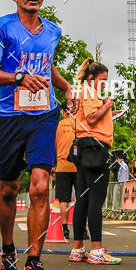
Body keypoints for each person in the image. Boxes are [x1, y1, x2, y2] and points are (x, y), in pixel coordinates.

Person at [0, 0, 73, 270]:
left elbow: (47, 64)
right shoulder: (0, 30)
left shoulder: (53, 32)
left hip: (44, 116)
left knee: (40, 186)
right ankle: (8, 250)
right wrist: (19, 77)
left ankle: (34, 263)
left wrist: (65, 87)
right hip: (8, 116)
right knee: (8, 188)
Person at [69, 58, 122, 266]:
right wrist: (107, 104)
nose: (105, 84)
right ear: (92, 78)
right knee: (95, 199)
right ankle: (97, 250)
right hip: (94, 147)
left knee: (82, 198)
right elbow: (91, 118)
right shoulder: (90, 91)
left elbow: (90, 117)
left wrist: (109, 112)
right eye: (103, 80)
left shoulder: (83, 90)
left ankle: (78, 248)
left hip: (84, 145)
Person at [54, 102, 77, 240]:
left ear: (63, 112)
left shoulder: (57, 126)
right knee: (81, 197)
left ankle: (65, 228)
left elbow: (53, 145)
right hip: (78, 166)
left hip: (62, 167)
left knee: (63, 199)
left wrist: (52, 164)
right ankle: (83, 229)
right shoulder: (78, 124)